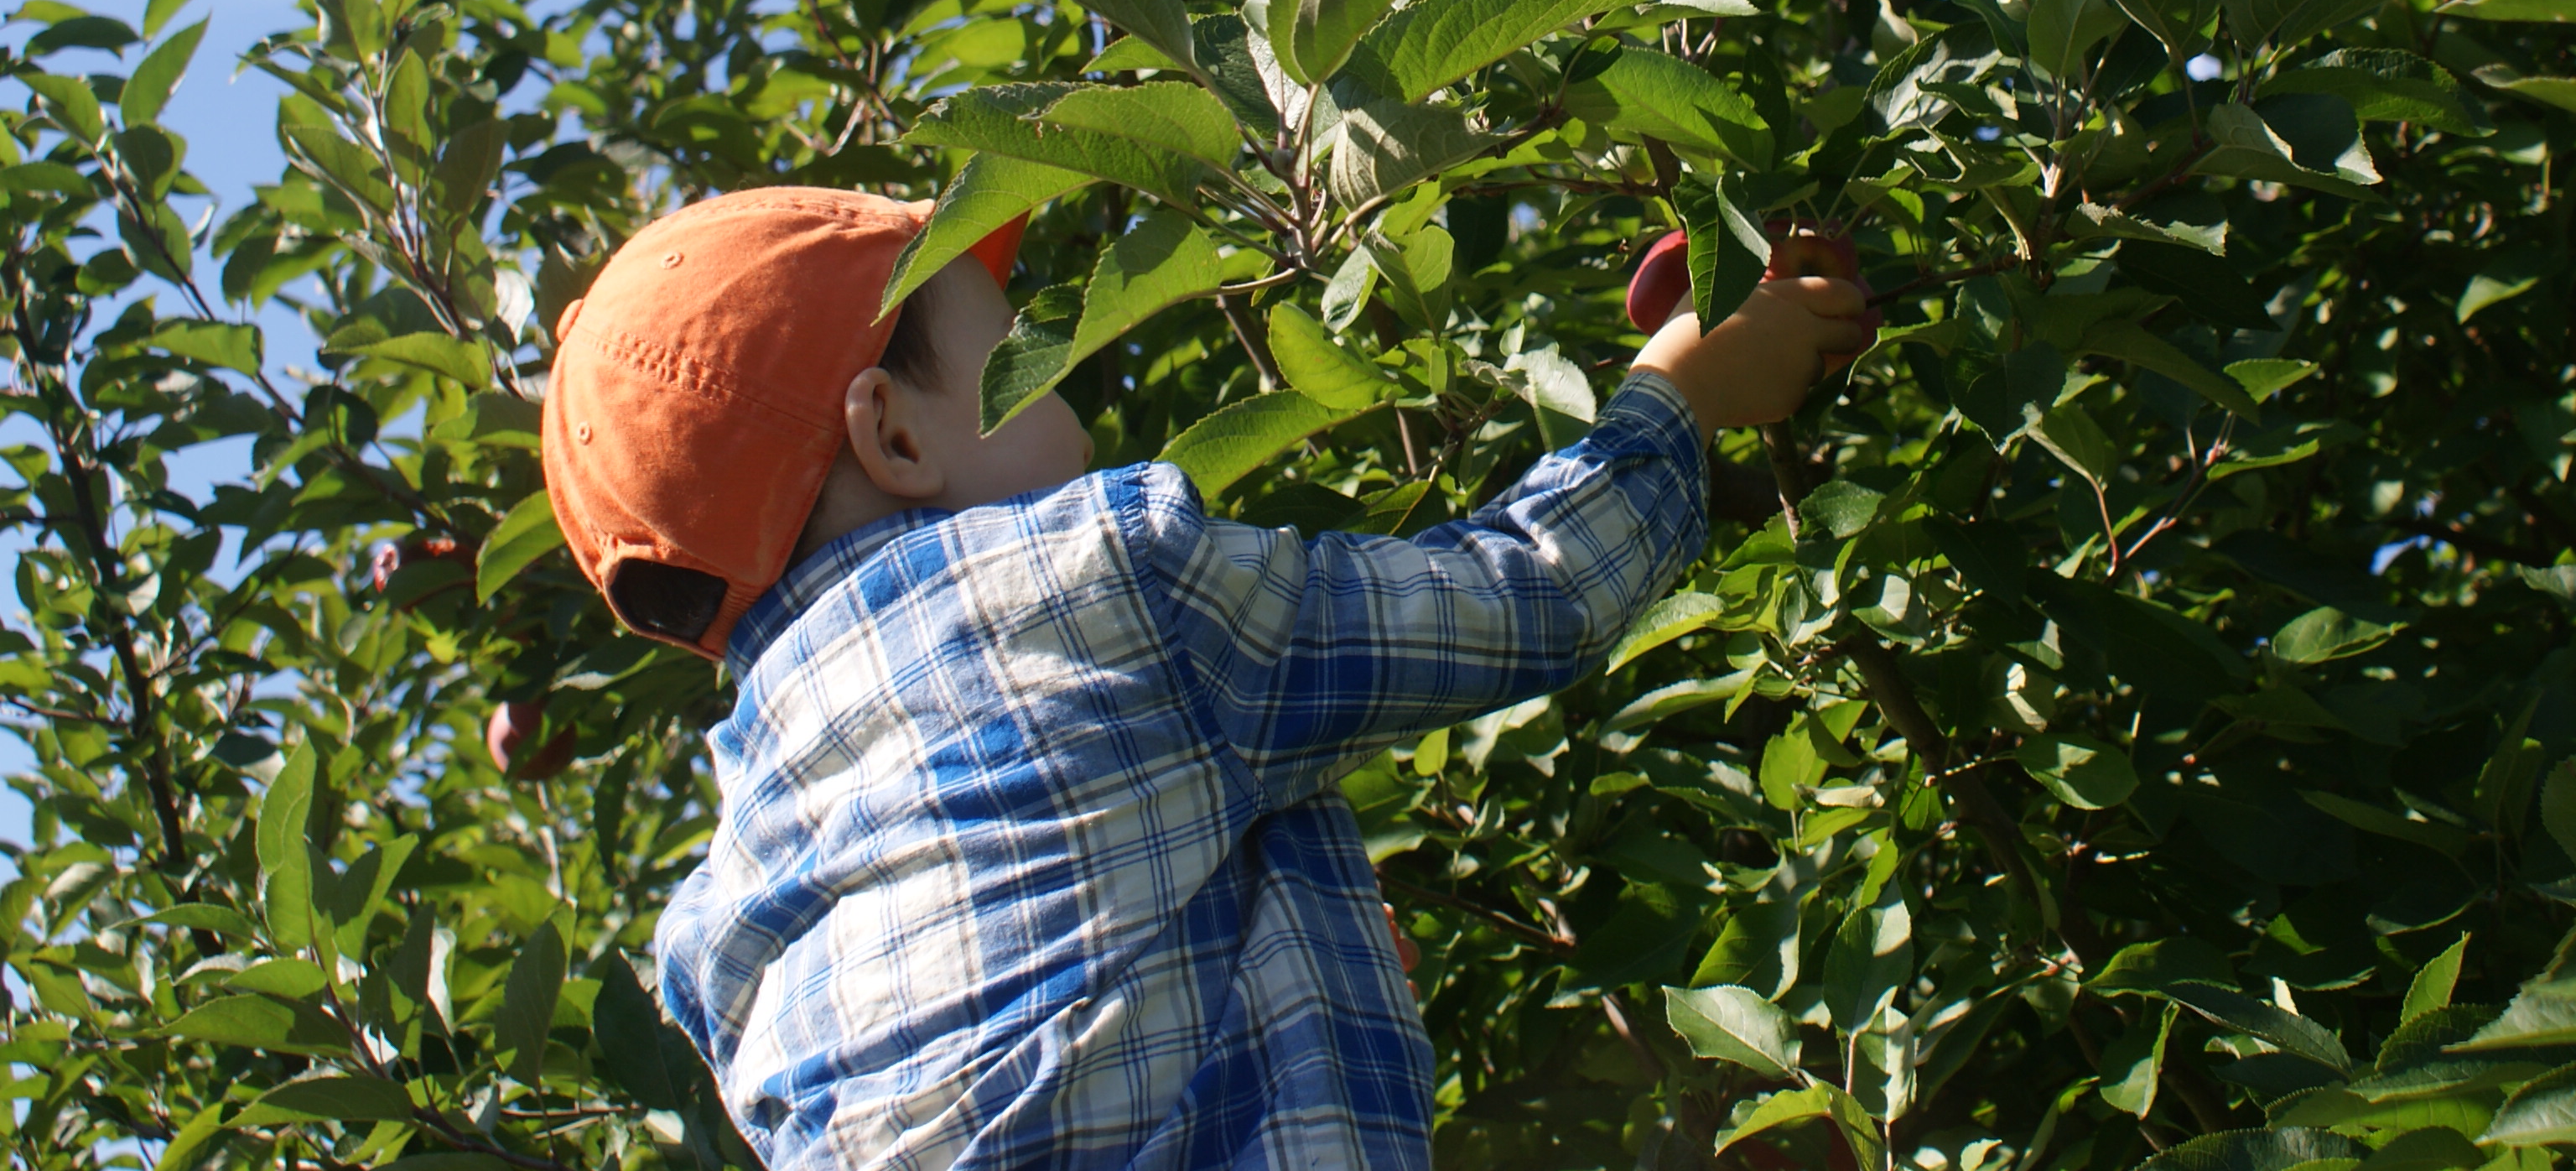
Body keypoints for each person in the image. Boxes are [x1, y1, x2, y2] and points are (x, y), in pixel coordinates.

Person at [538, 185, 1875, 1169]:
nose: (1068, 377)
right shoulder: (1092, 582)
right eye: (1020, 350)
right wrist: (1679, 397)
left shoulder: (720, 920)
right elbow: (1534, 592)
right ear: (893, 436)